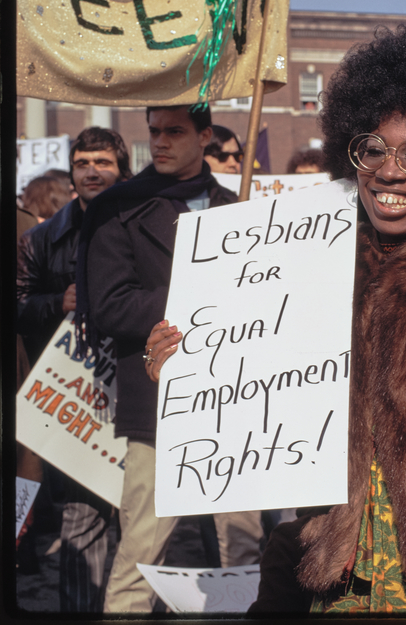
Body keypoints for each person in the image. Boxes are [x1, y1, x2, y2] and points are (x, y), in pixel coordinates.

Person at [146, 19, 406, 616]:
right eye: (372, 149)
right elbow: (251, 392)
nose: (390, 172)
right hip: (332, 584)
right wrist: (188, 369)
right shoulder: (305, 267)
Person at [75, 105, 265, 613]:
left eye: (174, 132)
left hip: (237, 402)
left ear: (205, 135)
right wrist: (199, 297)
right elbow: (111, 305)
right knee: (140, 553)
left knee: (243, 549)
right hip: (160, 405)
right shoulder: (118, 209)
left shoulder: (239, 205)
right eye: (154, 131)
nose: (159, 142)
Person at [17, 126, 132, 611]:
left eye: (102, 162)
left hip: (133, 394)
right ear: (71, 173)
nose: (91, 171)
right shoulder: (41, 239)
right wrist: (53, 303)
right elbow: (17, 303)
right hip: (75, 396)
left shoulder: (145, 223)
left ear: (121, 170)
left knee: (139, 522)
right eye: (83, 162)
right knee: (80, 518)